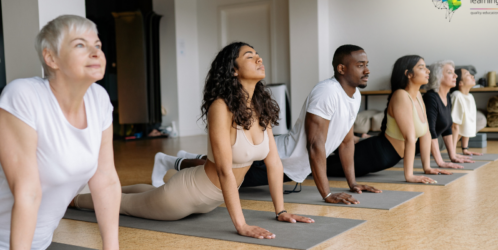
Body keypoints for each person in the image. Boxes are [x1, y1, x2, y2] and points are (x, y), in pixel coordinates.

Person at [0, 15, 148, 250]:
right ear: (51, 57)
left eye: (97, 44)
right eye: (80, 44)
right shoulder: (23, 96)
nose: (95, 51)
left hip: (32, 248)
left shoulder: (99, 100)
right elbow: (27, 188)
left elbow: (106, 179)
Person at [74, 42, 313, 239]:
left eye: (258, 55)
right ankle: (72, 199)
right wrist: (242, 225)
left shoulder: (259, 107)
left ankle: (101, 187)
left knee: (143, 194)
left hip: (208, 202)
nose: (259, 59)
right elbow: (224, 170)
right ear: (233, 70)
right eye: (250, 56)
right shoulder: (221, 107)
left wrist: (280, 211)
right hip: (182, 197)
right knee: (122, 205)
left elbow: (274, 164)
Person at [161, 45, 382, 205]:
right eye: (360, 65)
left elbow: (345, 141)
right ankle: (172, 162)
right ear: (342, 69)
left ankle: (181, 157)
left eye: (367, 65)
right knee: (220, 173)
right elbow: (315, 145)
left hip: (291, 168)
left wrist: (352, 183)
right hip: (278, 159)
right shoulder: (327, 92)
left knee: (224, 164)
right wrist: (326, 194)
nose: (367, 70)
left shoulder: (355, 96)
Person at [327, 55, 452, 183]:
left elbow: (426, 133)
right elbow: (409, 137)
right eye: (421, 68)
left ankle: (356, 138)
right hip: (372, 155)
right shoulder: (401, 95)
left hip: (384, 157)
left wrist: (427, 167)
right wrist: (409, 176)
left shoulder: (419, 96)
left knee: (326, 159)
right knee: (319, 166)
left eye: (426, 67)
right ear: (408, 74)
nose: (428, 71)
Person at [423, 60, 474, 168]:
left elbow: (447, 128)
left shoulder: (447, 96)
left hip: (430, 147)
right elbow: (429, 131)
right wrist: (440, 162)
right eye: (450, 72)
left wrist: (453, 156)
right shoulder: (430, 98)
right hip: (415, 150)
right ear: (438, 76)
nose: (455, 75)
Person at [451, 68, 483, 156]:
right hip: (444, 140)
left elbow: (468, 124)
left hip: (453, 139)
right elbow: (454, 126)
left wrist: (465, 149)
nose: (472, 76)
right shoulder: (457, 96)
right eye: (468, 75)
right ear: (460, 83)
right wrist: (452, 153)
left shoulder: (470, 96)